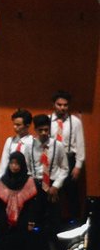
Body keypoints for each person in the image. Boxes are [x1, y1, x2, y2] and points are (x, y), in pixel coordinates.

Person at [49, 90, 86, 222]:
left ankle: (74, 223)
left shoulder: (74, 122)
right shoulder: (48, 121)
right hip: (53, 161)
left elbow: (80, 143)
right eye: (59, 104)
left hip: (69, 159)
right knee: (53, 194)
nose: (62, 108)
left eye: (65, 105)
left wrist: (78, 165)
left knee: (71, 194)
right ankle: (54, 223)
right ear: (54, 104)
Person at [30, 113, 71, 229]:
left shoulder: (57, 145)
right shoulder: (29, 146)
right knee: (36, 218)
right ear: (35, 129)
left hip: (52, 185)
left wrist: (56, 186)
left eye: (46, 130)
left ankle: (52, 244)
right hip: (36, 185)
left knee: (53, 219)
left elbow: (64, 168)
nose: (43, 133)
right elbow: (27, 168)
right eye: (40, 130)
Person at [0, 153, 40, 238]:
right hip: (5, 221)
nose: (14, 166)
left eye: (17, 163)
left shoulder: (29, 182)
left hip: (23, 220)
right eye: (12, 163)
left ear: (22, 164)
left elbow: (32, 206)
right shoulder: (4, 180)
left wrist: (31, 222)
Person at [0, 108, 35, 181]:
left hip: (27, 179)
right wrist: (0, 179)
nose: (15, 127)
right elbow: (4, 162)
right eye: (14, 124)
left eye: (18, 125)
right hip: (11, 178)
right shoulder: (10, 141)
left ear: (27, 125)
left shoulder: (33, 142)